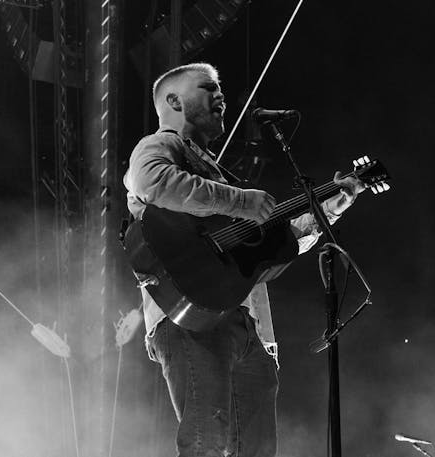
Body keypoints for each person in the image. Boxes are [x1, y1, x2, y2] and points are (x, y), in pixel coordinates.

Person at [123, 62, 363, 457]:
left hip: (249, 323)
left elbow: (277, 245)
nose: (220, 96)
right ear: (173, 100)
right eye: (208, 88)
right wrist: (242, 200)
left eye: (220, 89)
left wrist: (332, 207)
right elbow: (154, 182)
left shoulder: (218, 175)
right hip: (193, 313)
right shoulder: (158, 145)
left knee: (257, 450)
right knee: (206, 443)